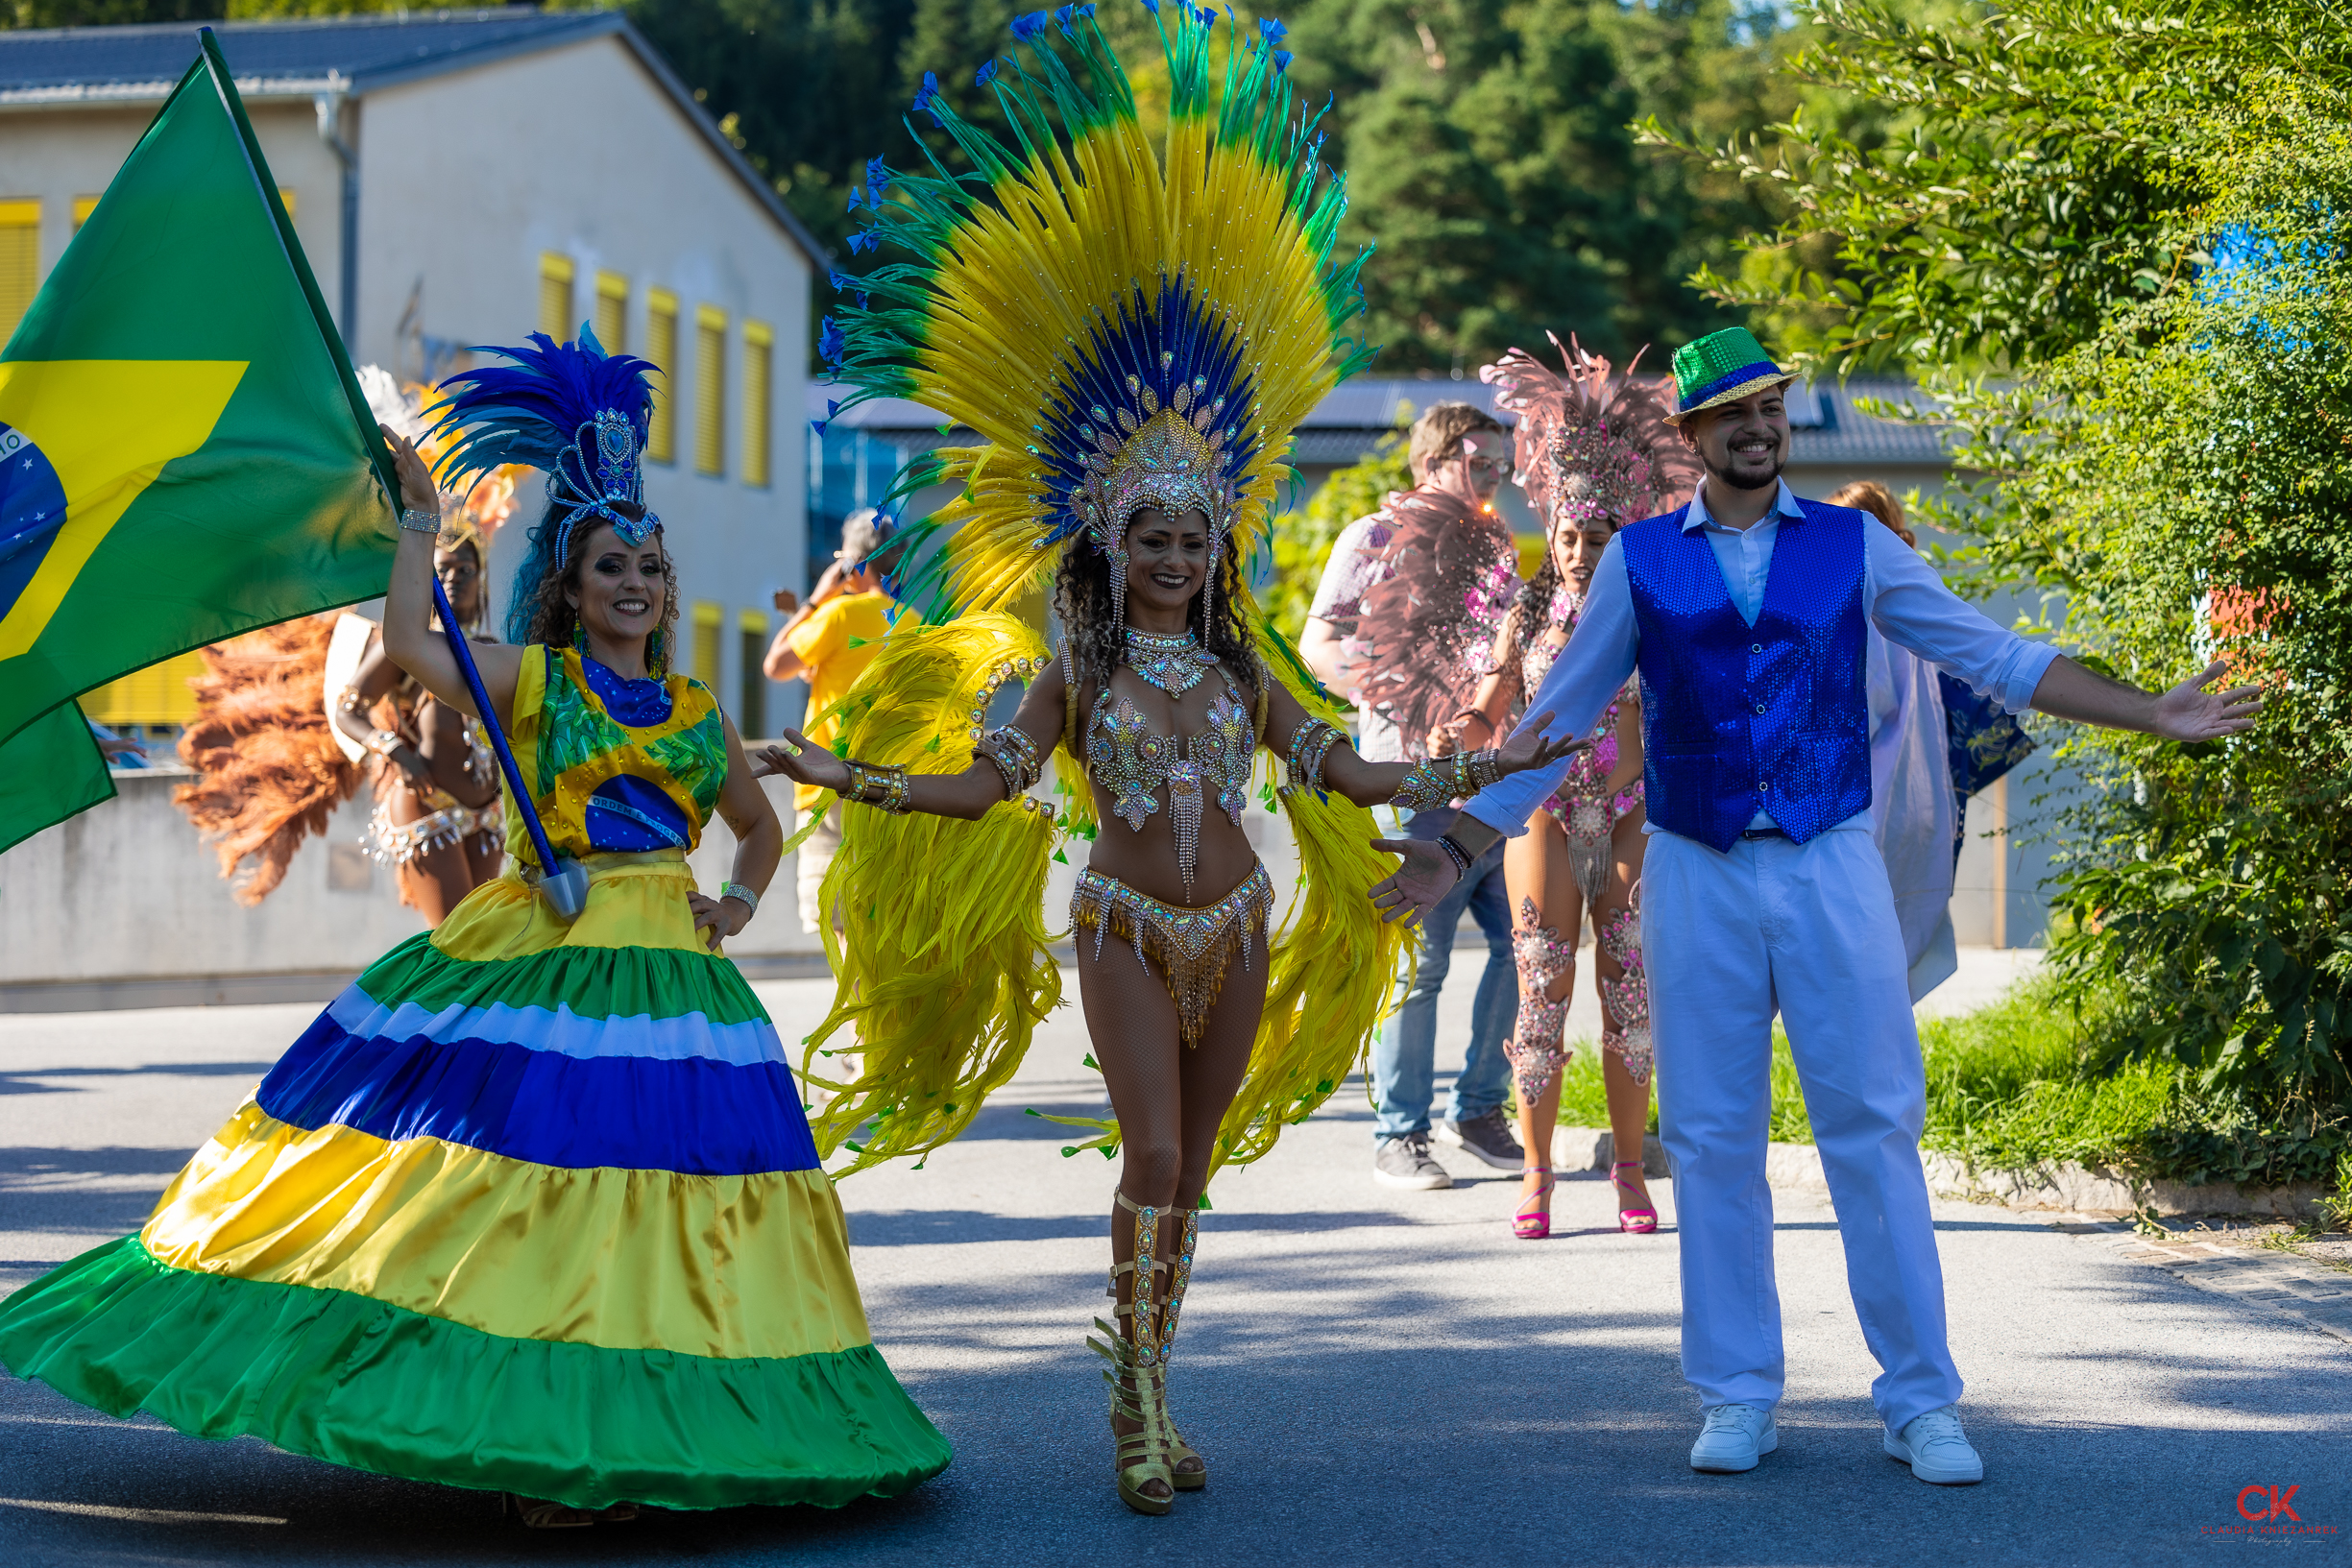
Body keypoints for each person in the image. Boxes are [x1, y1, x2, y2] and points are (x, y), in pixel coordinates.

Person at [755, 6, 1578, 1516]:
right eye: (1152, 538)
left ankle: (1157, 1371)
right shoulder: (1072, 670)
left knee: (1193, 1176)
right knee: (1147, 1157)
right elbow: (983, 790)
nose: (1175, 559)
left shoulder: (1244, 668)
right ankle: (1131, 1400)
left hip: (1236, 930)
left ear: (1213, 550)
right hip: (1127, 929)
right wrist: (834, 773)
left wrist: (1486, 767)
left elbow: (1350, 777)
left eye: (1195, 540)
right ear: (1112, 544)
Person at [0, 330, 950, 1524]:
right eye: (610, 566)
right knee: (534, 1194)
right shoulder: (531, 681)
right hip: (549, 955)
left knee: (669, 1209)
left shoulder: (698, 708)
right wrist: (418, 520)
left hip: (674, 978)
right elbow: (409, 647)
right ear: (571, 587)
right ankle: (534, 1441)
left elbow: (756, 828)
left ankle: (637, 1425)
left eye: (649, 566)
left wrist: (739, 902)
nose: (635, 583)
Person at [1370, 326, 2260, 1486]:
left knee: (1873, 1124)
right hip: (1694, 865)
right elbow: (1559, 721)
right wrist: (1454, 846)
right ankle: (1737, 1391)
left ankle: (1919, 1399)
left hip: (1828, 861)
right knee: (1710, 1135)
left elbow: (1993, 653)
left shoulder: (1853, 545)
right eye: (1732, 413)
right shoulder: (1641, 559)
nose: (1757, 428)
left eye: (1771, 409)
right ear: (1692, 435)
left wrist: (2149, 710)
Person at [1449, 336, 1699, 1238]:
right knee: (1540, 990)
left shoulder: (1654, 615)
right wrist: (1460, 738)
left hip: (1632, 814)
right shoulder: (1523, 616)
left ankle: (1630, 1170)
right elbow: (1487, 705)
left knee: (1630, 998)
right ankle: (1537, 1174)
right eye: (1569, 535)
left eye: (1599, 537)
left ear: (1621, 537)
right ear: (1549, 536)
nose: (1582, 551)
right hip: (1546, 816)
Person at [1299, 401, 1528, 1188]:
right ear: (1431, 461)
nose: (1494, 474)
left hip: (1491, 780)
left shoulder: (1496, 542)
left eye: (1500, 462)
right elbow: (1318, 642)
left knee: (1522, 945)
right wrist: (1400, 693)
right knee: (1418, 963)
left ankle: (1479, 1109)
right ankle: (1399, 1134)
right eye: (1478, 459)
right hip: (1407, 775)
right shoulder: (1370, 535)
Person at [1826, 479, 1961, 999]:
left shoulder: (1864, 601)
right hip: (1918, 796)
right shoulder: (1914, 591)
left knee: (1858, 967)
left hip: (1872, 799)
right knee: (1891, 966)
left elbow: (1864, 702)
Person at [762, 506, 903, 932]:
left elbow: (776, 664)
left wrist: (814, 600)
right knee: (881, 925)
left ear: (852, 564)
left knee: (839, 926)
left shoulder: (837, 615)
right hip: (893, 781)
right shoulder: (912, 622)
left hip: (829, 781)